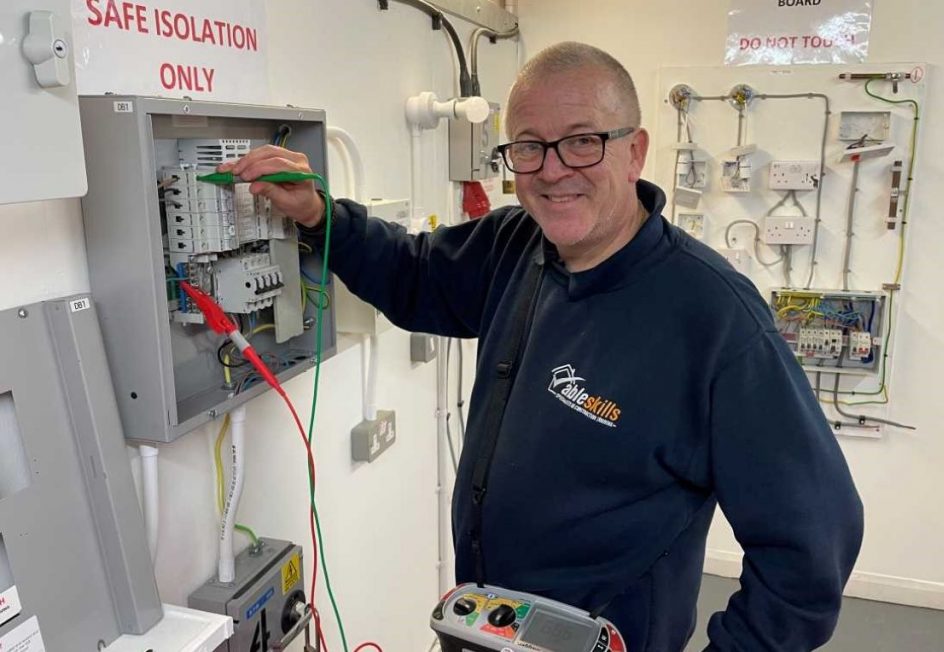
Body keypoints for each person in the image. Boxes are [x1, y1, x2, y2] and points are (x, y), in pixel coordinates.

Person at [223, 42, 863, 652]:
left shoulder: (715, 317)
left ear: (635, 151)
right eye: (528, 147)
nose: (552, 170)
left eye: (583, 142)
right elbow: (415, 274)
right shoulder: (515, 244)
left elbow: (810, 546)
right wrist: (319, 214)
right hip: (486, 626)